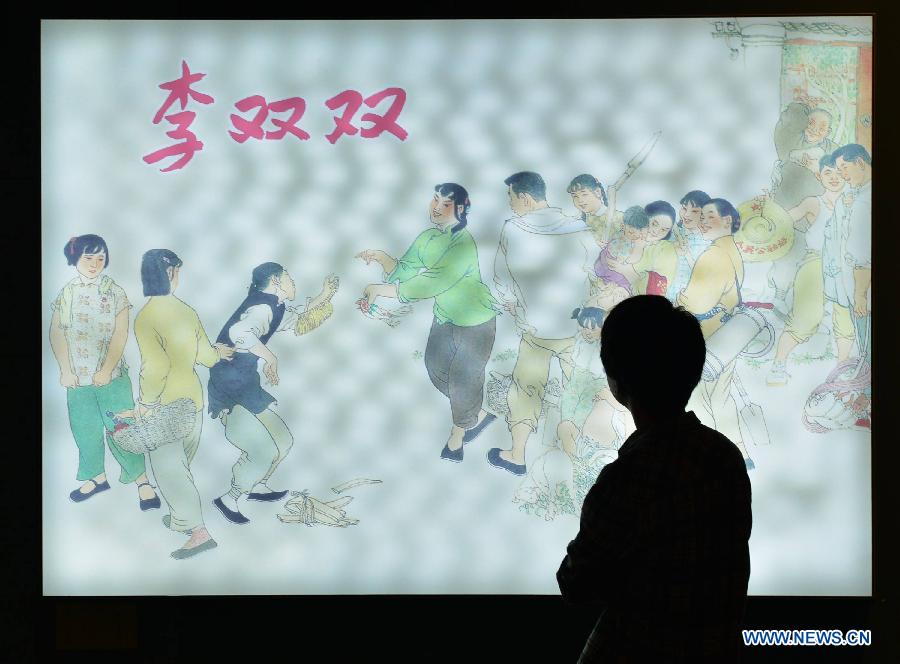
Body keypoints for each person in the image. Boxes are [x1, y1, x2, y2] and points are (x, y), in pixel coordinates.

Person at [558, 295, 752, 663]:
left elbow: (576, 583)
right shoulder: (725, 458)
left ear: (615, 382)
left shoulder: (629, 477)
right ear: (693, 371)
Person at [358, 183, 499, 460]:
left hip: (476, 321)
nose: (436, 207)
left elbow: (434, 282)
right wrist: (384, 260)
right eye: (434, 200)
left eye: (445, 203)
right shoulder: (427, 238)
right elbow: (405, 272)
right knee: (434, 368)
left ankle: (456, 440)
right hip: (444, 318)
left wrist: (382, 291)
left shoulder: (464, 242)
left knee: (463, 380)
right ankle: (475, 415)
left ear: (460, 209)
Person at [208, 263, 339, 524]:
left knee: (283, 441)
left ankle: (257, 484)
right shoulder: (261, 307)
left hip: (247, 385)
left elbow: (295, 317)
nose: (293, 281)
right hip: (229, 388)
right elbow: (240, 333)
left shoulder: (274, 307)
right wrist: (270, 357)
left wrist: (325, 296)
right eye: (289, 277)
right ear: (276, 281)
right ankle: (230, 498)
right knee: (262, 450)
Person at [491, 171, 594, 475]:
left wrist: (515, 307)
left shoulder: (513, 229)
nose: (510, 205)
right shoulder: (578, 227)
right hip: (574, 326)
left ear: (524, 197)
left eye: (511, 197)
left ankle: (518, 454)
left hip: (535, 328)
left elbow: (500, 278)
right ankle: (580, 457)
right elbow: (595, 270)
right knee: (579, 386)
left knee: (525, 389)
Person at [133, 249, 234, 559]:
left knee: (170, 470)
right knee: (180, 467)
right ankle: (181, 518)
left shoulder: (146, 317)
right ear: (171, 274)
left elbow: (154, 368)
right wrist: (221, 353)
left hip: (164, 403)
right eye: (177, 272)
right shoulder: (186, 310)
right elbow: (205, 355)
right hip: (192, 400)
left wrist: (146, 403)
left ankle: (198, 532)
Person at [49, 234, 160, 509]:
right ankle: (96, 478)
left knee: (123, 428)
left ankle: (142, 482)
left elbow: (121, 333)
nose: (95, 263)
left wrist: (107, 369)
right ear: (76, 258)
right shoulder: (67, 292)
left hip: (112, 378)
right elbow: (56, 332)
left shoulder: (115, 291)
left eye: (100, 258)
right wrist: (65, 369)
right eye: (88, 258)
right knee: (85, 430)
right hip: (77, 380)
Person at [677, 199, 754, 467]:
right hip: (723, 334)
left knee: (698, 399)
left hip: (707, 337)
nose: (703, 221)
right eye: (703, 216)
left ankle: (711, 459)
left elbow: (695, 302)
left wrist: (678, 298)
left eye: (710, 216)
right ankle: (740, 454)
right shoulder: (729, 249)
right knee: (720, 397)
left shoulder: (714, 255)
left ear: (728, 220)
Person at [767, 152, 852, 386]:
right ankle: (778, 365)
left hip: (845, 267)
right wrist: (769, 204)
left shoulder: (856, 201)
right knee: (806, 317)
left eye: (839, 172)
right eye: (828, 173)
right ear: (819, 175)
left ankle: (841, 371)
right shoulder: (814, 201)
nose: (834, 178)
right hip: (816, 263)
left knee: (845, 319)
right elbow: (784, 219)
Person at [668, 190, 712, 300]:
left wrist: (687, 254)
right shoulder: (671, 233)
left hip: (687, 298)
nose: (687, 214)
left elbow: (704, 276)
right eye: (684, 208)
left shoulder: (707, 243)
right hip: (663, 291)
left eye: (695, 211)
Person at [633, 200, 678, 297]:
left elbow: (635, 270)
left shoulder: (665, 248)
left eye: (663, 230)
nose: (656, 232)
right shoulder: (630, 235)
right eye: (654, 224)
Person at [566, 174, 624, 247]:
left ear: (597, 192)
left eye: (584, 194)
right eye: (575, 196)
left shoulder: (620, 218)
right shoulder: (582, 221)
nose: (580, 200)